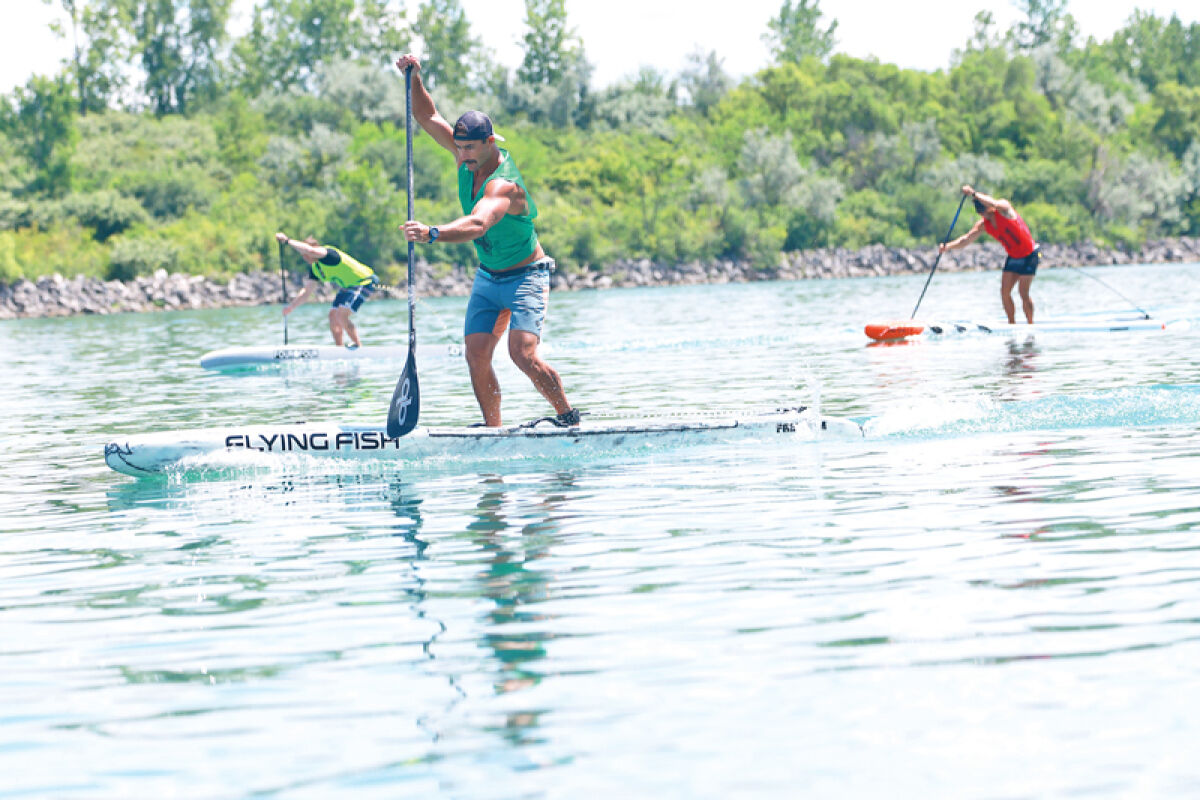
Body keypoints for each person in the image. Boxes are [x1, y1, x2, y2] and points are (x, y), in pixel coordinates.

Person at [395, 53, 578, 428]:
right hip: (488, 278)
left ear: (490, 142)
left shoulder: (504, 185)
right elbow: (428, 117)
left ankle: (567, 417)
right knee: (476, 353)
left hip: (526, 275)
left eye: (469, 149)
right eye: (458, 148)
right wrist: (414, 77)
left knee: (521, 354)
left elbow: (479, 224)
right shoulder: (467, 155)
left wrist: (433, 233)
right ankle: (494, 430)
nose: (461, 156)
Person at [938, 185, 1040, 324]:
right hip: (1014, 257)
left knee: (1023, 292)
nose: (984, 214)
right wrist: (947, 247)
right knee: (1004, 293)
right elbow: (966, 239)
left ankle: (1030, 324)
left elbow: (995, 203)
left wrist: (973, 193)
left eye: (985, 210)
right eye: (981, 213)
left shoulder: (1004, 208)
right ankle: (1012, 324)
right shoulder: (984, 225)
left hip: (1030, 254)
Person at [275, 231, 379, 348]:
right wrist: (291, 307)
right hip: (348, 286)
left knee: (341, 315)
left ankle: (359, 347)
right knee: (333, 316)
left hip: (365, 281)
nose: (304, 257)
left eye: (304, 253)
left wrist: (287, 241)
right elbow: (306, 292)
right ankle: (339, 349)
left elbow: (310, 251)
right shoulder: (315, 269)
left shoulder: (330, 254)